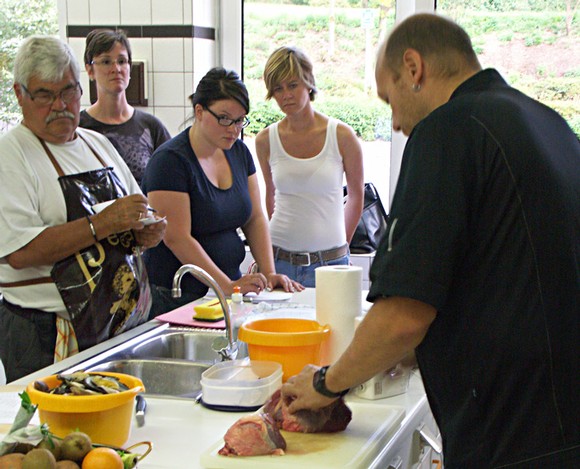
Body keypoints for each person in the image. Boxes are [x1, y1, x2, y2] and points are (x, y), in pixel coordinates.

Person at [282, 14, 579, 469]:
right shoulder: (547, 123)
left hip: (515, 433)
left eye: (390, 99)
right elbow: (507, 271)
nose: (397, 123)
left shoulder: (447, 130)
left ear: (413, 67)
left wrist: (326, 384)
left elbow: (404, 313)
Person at [0, 36, 166, 383]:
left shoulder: (98, 144)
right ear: (20, 94)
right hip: (47, 333)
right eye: (45, 95)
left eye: (69, 91)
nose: (60, 105)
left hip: (117, 326)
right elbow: (19, 252)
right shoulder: (11, 154)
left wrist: (146, 231)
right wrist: (100, 225)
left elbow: (135, 212)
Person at [142, 67, 302, 310]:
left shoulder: (239, 152)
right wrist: (225, 285)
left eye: (239, 120)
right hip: (177, 294)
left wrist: (269, 273)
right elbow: (177, 237)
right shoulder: (169, 161)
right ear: (199, 111)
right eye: (224, 119)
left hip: (226, 291)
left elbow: (254, 217)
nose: (233, 129)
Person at [255, 46, 364, 287]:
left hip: (330, 261)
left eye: (292, 85)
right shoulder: (265, 140)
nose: (286, 95)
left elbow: (356, 196)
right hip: (279, 260)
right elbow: (270, 195)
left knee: (331, 325)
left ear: (309, 83)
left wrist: (339, 247)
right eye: (277, 89)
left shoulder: (342, 135)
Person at [80, 29, 171, 185]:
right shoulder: (79, 128)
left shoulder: (151, 127)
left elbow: (171, 177)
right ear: (90, 70)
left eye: (122, 61)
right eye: (106, 62)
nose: (116, 69)